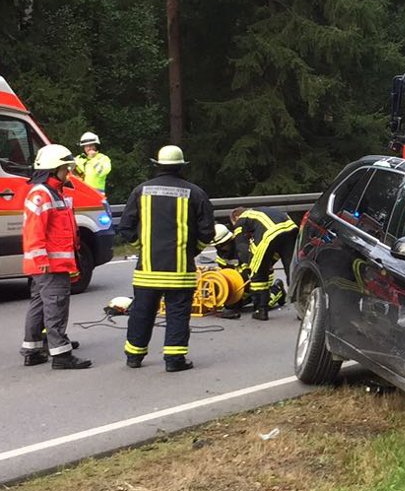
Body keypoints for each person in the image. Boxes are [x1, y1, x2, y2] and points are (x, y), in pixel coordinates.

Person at [119, 145, 215, 372]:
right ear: (181, 167)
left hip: (147, 271)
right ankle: (174, 360)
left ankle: (134, 356)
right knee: (178, 314)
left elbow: (125, 227)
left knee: (142, 312)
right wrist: (193, 251)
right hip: (180, 271)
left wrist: (140, 246)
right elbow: (207, 232)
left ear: (157, 166)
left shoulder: (141, 191)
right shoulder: (195, 193)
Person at [19, 144, 92, 369]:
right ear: (54, 169)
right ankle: (61, 354)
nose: (68, 172)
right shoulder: (43, 195)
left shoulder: (53, 192)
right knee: (56, 306)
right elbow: (34, 233)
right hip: (50, 265)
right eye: (65, 168)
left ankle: (32, 350)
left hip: (49, 263)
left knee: (40, 305)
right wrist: (43, 263)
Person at [230, 206, 298, 321]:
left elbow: (241, 247)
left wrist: (251, 267)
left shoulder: (241, 219)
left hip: (270, 232)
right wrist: (268, 262)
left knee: (258, 273)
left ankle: (260, 310)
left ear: (236, 217)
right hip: (291, 229)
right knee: (292, 269)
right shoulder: (258, 212)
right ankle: (302, 307)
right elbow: (274, 251)